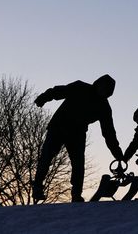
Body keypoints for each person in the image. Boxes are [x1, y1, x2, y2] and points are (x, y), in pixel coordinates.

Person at [32, 74, 123, 202]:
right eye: (103, 88)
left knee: (78, 163)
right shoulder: (80, 87)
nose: (104, 92)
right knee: (47, 156)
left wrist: (117, 152)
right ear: (98, 84)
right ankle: (37, 187)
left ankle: (76, 194)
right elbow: (59, 91)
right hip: (59, 127)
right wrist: (44, 98)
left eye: (107, 91)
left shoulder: (104, 107)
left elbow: (108, 132)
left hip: (77, 133)